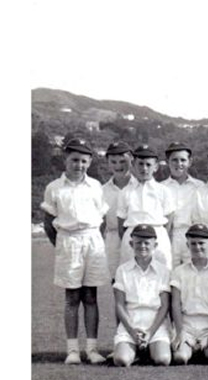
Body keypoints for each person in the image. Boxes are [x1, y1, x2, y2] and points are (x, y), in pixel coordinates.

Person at [41, 138, 110, 364]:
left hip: (92, 240)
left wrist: (93, 239)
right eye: (74, 160)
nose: (78, 165)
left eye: (83, 161)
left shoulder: (96, 186)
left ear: (89, 162)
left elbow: (101, 220)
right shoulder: (54, 187)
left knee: (90, 296)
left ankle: (92, 349)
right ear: (66, 159)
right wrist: (62, 244)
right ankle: (72, 350)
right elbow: (48, 223)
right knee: (71, 297)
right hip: (68, 241)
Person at [111, 224, 171, 367]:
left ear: (155, 245)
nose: (142, 246)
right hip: (130, 323)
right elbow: (119, 305)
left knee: (163, 359)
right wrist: (132, 331)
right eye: (138, 242)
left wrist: (150, 332)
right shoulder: (122, 270)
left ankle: (147, 348)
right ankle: (135, 349)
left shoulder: (163, 271)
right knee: (121, 360)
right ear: (131, 244)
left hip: (154, 325)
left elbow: (164, 306)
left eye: (147, 243)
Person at [169, 224, 208, 364]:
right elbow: (175, 304)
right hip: (186, 324)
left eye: (201, 243)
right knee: (180, 357)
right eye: (193, 243)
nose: (197, 247)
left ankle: (202, 347)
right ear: (187, 245)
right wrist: (180, 331)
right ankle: (191, 347)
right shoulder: (179, 271)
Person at [117, 144, 175, 268]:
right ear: (133, 165)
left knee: (161, 272)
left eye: (148, 164)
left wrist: (157, 235)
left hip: (157, 237)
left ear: (156, 167)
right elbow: (121, 223)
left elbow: (169, 220)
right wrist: (132, 237)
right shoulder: (125, 192)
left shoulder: (163, 191)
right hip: (133, 237)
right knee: (130, 272)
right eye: (140, 164)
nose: (144, 168)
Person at [162, 141, 202, 267]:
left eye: (183, 160)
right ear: (167, 161)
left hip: (193, 235)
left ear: (190, 162)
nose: (179, 164)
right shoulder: (161, 187)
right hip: (168, 235)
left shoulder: (200, 187)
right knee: (168, 271)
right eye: (174, 160)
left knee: (192, 271)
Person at [102, 141, 134, 277]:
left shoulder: (140, 187)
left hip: (136, 239)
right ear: (108, 163)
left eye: (122, 161)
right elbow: (101, 223)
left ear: (131, 159)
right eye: (113, 162)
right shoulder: (102, 190)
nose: (118, 166)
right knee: (116, 281)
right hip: (113, 240)